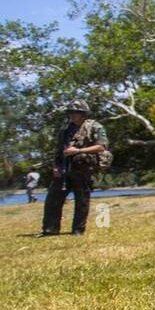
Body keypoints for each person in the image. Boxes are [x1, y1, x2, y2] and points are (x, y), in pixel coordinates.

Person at [41, 100, 109, 236]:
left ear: (83, 113)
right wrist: (56, 167)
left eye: (75, 112)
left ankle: (78, 230)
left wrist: (78, 151)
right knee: (53, 198)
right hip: (64, 169)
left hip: (84, 169)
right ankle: (50, 229)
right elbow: (59, 150)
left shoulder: (95, 127)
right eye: (70, 112)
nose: (72, 115)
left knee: (82, 200)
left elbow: (102, 146)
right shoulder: (65, 130)